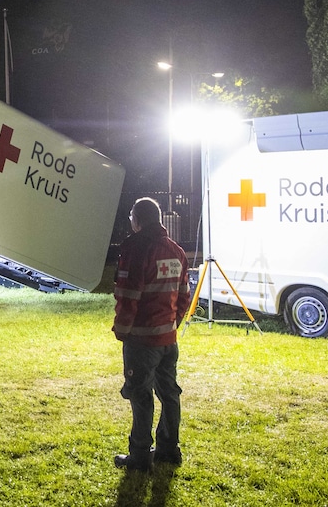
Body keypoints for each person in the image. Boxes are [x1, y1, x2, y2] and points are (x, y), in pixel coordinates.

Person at [111, 197, 191, 472]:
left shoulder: (136, 249)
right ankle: (169, 449)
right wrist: (171, 325)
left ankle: (140, 455)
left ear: (138, 219)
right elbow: (184, 296)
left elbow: (128, 295)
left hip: (142, 342)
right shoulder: (177, 251)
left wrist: (122, 330)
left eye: (131, 216)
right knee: (170, 394)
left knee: (140, 396)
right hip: (168, 340)